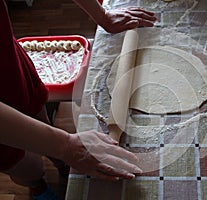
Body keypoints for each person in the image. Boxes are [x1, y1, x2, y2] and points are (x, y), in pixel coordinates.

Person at [0, 0, 156, 199]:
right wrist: (65, 146)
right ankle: (37, 186)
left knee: (40, 117)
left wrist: (102, 16)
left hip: (8, 62)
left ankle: (61, 163)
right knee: (24, 164)